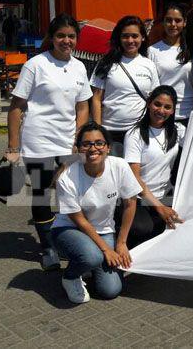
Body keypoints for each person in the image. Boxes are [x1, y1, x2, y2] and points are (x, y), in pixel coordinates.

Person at [5, 13, 92, 271]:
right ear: (52, 38)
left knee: (74, 192)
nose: (66, 41)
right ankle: (48, 248)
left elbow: (83, 106)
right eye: (61, 36)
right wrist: (13, 145)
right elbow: (16, 106)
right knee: (42, 194)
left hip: (69, 143)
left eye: (71, 36)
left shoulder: (79, 67)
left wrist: (78, 138)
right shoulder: (36, 65)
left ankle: (70, 240)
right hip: (39, 140)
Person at [52, 123, 142, 303]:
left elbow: (130, 203)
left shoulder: (119, 166)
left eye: (99, 143)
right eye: (86, 144)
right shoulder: (67, 178)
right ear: (78, 149)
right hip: (69, 229)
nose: (93, 148)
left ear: (108, 147)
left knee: (110, 290)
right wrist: (106, 249)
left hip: (104, 230)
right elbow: (81, 222)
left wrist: (121, 243)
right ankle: (70, 276)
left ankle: (88, 264)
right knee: (92, 255)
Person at [123, 85, 185, 248]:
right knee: (143, 228)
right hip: (140, 198)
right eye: (157, 104)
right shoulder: (134, 134)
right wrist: (159, 207)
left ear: (173, 110)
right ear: (149, 103)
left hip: (167, 194)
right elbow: (134, 178)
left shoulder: (179, 130)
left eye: (167, 107)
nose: (161, 110)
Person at [91, 15, 160, 155]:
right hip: (110, 131)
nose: (130, 41)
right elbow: (96, 99)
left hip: (139, 132)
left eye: (135, 36)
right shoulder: (106, 63)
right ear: (119, 38)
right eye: (125, 36)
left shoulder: (149, 65)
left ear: (143, 38)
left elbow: (154, 98)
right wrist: (98, 130)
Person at [147, 3, 193, 126]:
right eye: (169, 20)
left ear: (184, 22)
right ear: (163, 22)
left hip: (187, 113)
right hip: (161, 115)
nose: (173, 25)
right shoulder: (152, 51)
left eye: (178, 20)